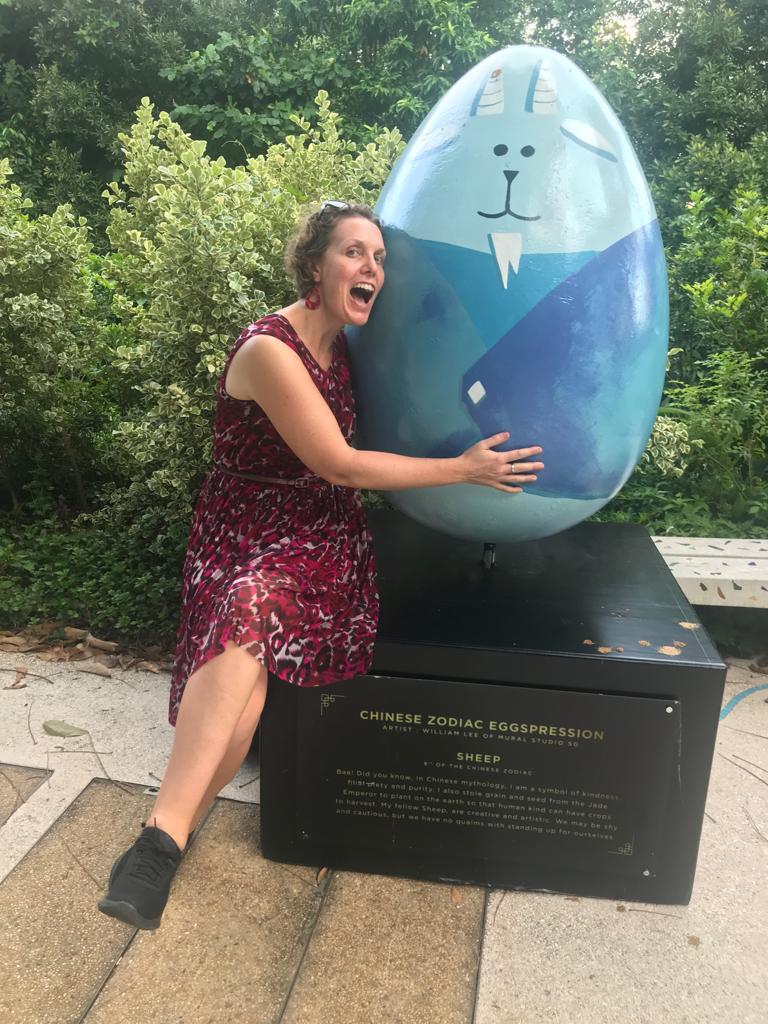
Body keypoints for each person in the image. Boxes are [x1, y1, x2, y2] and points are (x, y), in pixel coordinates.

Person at [97, 200, 544, 930]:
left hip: (320, 534)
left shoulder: (348, 346)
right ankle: (160, 840)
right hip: (247, 528)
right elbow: (337, 462)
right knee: (247, 624)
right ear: (314, 265)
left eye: (380, 258)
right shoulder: (270, 349)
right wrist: (462, 469)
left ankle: (163, 843)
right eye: (353, 253)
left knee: (248, 671)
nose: (372, 268)